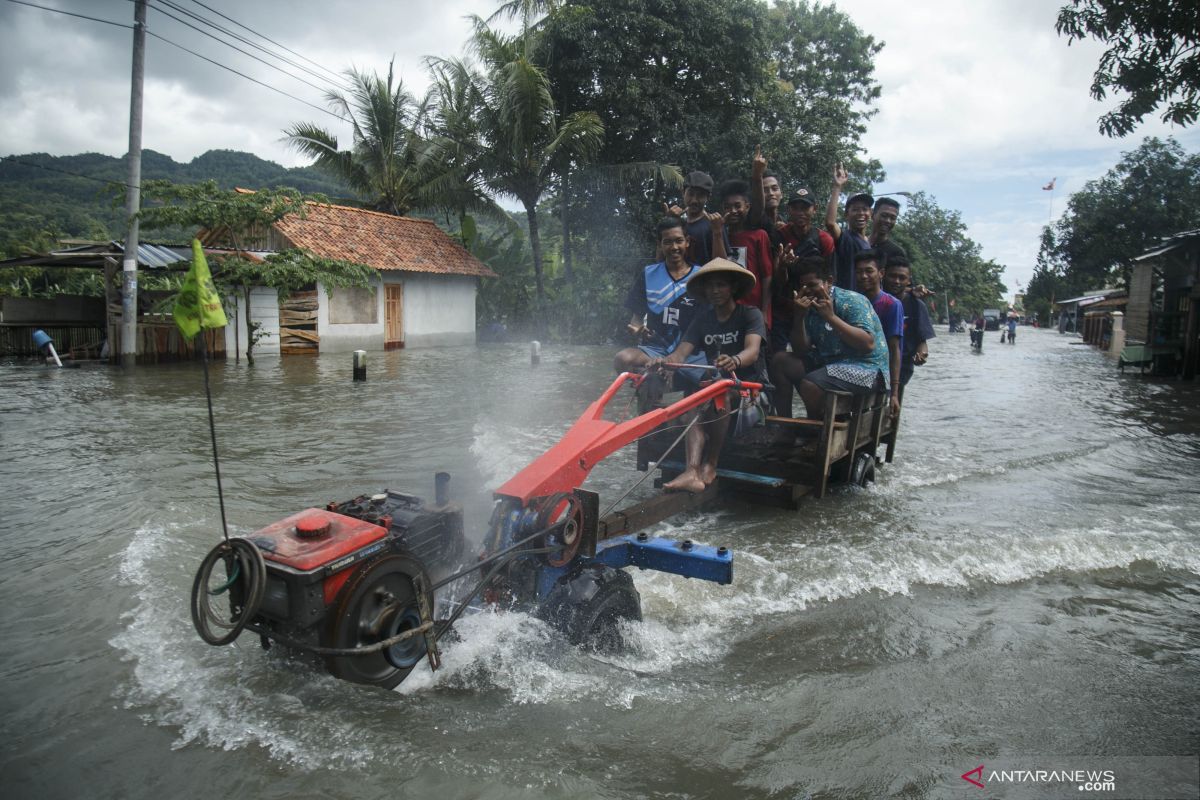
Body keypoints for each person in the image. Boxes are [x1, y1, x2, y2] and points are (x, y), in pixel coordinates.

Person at [654, 258, 767, 493]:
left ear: (733, 288)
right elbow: (680, 353)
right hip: (715, 389)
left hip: (752, 391)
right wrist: (664, 362)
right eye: (710, 286)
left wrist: (734, 360)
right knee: (694, 402)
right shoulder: (703, 319)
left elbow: (753, 351)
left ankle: (711, 463)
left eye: (721, 285)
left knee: (720, 394)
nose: (715, 291)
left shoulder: (750, 314)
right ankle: (692, 471)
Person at [769, 256, 890, 420]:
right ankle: (786, 428)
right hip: (829, 362)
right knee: (780, 361)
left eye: (813, 285)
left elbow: (867, 344)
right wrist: (799, 317)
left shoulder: (852, 301)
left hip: (867, 367)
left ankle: (815, 432)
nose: (808, 291)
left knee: (811, 384)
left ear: (829, 281)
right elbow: (801, 350)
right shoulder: (807, 305)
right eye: (803, 286)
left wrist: (831, 317)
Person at [614, 218, 710, 382]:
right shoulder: (648, 274)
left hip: (692, 354)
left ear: (687, 242)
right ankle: (651, 393)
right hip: (654, 351)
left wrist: (675, 358)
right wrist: (637, 328)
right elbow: (636, 318)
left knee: (715, 380)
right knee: (623, 359)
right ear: (659, 244)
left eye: (679, 241)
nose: (674, 247)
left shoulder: (701, 276)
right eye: (668, 242)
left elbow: (706, 323)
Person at [769, 190, 835, 361]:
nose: (800, 213)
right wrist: (783, 265)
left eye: (805, 208)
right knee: (778, 358)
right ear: (789, 210)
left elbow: (827, 278)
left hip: (813, 309)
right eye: (795, 208)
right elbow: (777, 281)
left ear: (814, 209)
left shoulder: (824, 240)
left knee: (812, 357)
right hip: (784, 307)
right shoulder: (779, 236)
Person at [853, 250, 903, 417]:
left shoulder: (891, 304)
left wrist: (894, 393)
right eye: (859, 272)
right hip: (854, 366)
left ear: (881, 273)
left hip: (877, 372)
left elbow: (894, 348)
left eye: (869, 271)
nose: (864, 276)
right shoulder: (852, 301)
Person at [719, 178, 773, 328]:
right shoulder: (719, 237)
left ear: (747, 207)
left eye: (738, 206)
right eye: (727, 207)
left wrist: (765, 311)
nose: (733, 211)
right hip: (725, 312)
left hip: (753, 311)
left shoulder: (758, 236)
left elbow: (767, 277)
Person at [882, 255, 935, 392]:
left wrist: (922, 355)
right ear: (883, 275)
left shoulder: (917, 305)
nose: (897, 281)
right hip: (875, 360)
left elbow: (922, 340)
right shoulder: (874, 300)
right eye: (892, 276)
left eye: (902, 278)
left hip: (902, 365)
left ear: (908, 281)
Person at [664, 171, 729, 266]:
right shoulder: (677, 224)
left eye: (700, 195)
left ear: (708, 197)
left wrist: (717, 232)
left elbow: (723, 264)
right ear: (683, 192)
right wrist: (668, 223)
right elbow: (660, 260)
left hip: (705, 279)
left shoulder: (714, 224)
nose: (694, 200)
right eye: (690, 194)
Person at [825, 163, 872, 291]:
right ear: (847, 214)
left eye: (865, 209)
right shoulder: (846, 238)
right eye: (855, 209)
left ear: (871, 213)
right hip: (847, 301)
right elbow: (830, 223)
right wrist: (837, 186)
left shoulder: (869, 243)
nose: (861, 213)